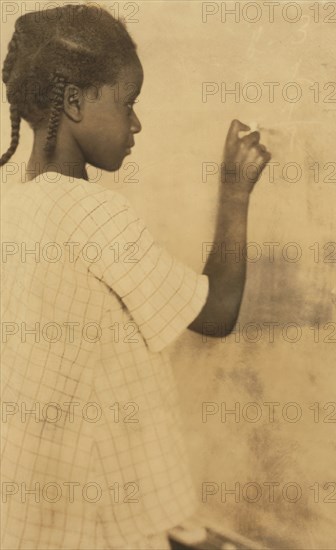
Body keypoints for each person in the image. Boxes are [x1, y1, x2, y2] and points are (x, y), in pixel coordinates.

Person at [0, 4, 271, 549]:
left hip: (28, 487)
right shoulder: (96, 214)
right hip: (93, 500)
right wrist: (236, 191)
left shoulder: (11, 205)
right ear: (74, 102)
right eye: (128, 103)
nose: (137, 123)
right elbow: (216, 314)